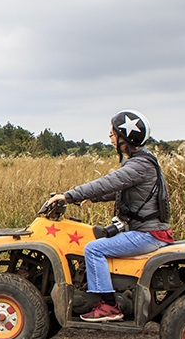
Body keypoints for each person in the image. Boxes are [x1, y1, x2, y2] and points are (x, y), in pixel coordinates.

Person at [47, 110, 172, 322]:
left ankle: (109, 306)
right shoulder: (144, 161)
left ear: (125, 138)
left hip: (146, 234)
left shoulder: (138, 165)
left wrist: (69, 196)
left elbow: (108, 182)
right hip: (148, 231)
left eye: (113, 134)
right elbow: (120, 190)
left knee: (94, 249)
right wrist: (92, 199)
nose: (111, 138)